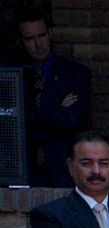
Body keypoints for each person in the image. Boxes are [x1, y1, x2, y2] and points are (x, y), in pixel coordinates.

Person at [11, 7, 91, 188]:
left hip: (61, 170)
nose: (38, 44)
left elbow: (71, 120)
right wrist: (54, 110)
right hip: (21, 167)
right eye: (30, 39)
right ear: (20, 42)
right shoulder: (13, 74)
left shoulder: (74, 74)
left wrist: (32, 115)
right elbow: (12, 121)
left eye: (42, 36)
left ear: (51, 33)